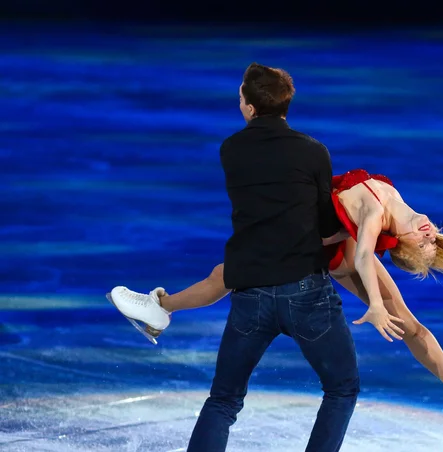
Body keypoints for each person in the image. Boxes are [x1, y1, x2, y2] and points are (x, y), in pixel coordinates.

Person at [108, 63, 407, 452]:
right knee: (342, 388)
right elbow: (322, 221)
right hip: (307, 294)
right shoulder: (314, 152)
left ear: (250, 107)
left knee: (224, 400)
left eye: (240, 98)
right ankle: (159, 307)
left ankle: (159, 307)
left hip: (250, 294)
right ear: (285, 104)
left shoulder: (231, 150)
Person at [110, 167, 443, 440]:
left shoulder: (381, 215)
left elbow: (377, 257)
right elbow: (442, 263)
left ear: (400, 243)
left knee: (410, 324)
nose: (428, 234)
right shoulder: (392, 211)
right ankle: (161, 307)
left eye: (422, 240)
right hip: (315, 247)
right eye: (428, 238)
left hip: (327, 252)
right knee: (224, 275)